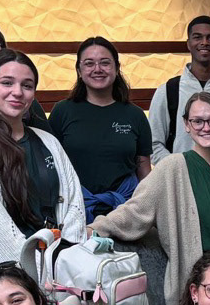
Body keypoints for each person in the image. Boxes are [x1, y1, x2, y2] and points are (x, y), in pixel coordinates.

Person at [91, 92, 210, 305]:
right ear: (187, 125)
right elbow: (134, 211)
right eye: (198, 121)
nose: (206, 127)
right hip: (195, 286)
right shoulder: (172, 168)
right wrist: (93, 229)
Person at [0, 49, 87, 267]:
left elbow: (73, 203)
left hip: (61, 265)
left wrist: (65, 258)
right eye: (7, 83)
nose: (17, 92)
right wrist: (36, 269)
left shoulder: (48, 141)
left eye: (27, 85)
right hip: (11, 273)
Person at [46, 36, 154, 221]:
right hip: (74, 209)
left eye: (105, 63)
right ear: (79, 70)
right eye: (89, 63)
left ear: (117, 68)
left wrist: (149, 209)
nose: (97, 69)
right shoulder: (62, 111)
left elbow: (143, 168)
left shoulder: (135, 115)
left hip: (125, 210)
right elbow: (50, 164)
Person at [149, 15, 210, 156]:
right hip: (180, 170)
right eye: (197, 37)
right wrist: (178, 167)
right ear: (188, 44)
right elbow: (153, 143)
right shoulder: (167, 91)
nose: (204, 42)